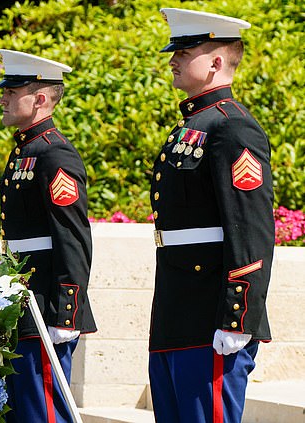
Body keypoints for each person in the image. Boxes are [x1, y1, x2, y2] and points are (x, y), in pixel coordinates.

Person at [148, 9, 275, 423]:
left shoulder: (232, 128)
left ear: (217, 61)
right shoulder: (191, 126)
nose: (173, 60)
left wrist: (237, 317)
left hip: (211, 313)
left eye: (184, 52)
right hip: (177, 308)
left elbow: (250, 228)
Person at [0, 49, 97, 423]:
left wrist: (66, 312)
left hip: (43, 305)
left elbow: (72, 238)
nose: (3, 96)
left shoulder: (55, 155)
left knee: (43, 412)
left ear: (40, 99)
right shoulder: (26, 150)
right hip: (21, 299)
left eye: (13, 90)